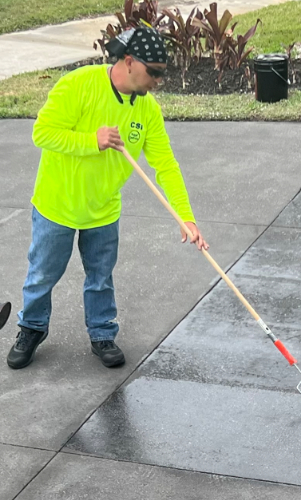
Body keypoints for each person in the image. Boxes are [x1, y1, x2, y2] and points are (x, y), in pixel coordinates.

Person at [7, 25, 208, 370]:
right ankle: (32, 327)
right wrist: (92, 140)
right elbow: (42, 132)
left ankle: (102, 333)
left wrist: (185, 216)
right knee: (42, 275)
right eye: (153, 72)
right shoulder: (79, 85)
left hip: (103, 209)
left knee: (100, 277)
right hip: (58, 205)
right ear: (129, 62)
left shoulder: (147, 110)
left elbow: (166, 166)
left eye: (162, 74)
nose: (158, 81)